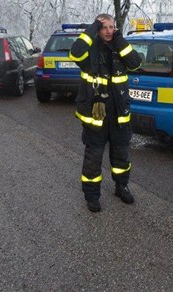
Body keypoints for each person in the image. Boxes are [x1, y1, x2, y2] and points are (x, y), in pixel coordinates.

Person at [69, 13, 142, 212]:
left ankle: (121, 186)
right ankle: (92, 196)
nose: (109, 31)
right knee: (94, 157)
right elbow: (74, 53)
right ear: (98, 29)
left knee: (121, 155)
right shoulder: (89, 51)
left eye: (112, 27)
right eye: (104, 27)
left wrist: (120, 40)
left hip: (119, 113)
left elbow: (136, 63)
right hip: (95, 114)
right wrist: (92, 27)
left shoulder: (120, 46)